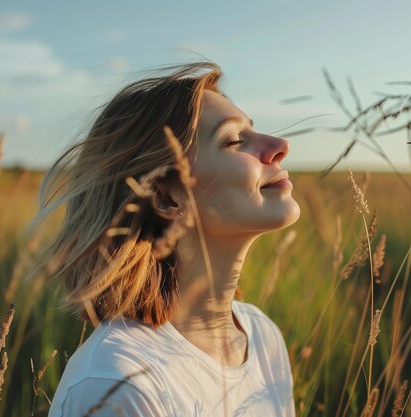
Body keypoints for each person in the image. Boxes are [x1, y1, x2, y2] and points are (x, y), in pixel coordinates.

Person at [32, 61, 300, 416]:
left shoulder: (262, 336)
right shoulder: (118, 383)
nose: (280, 145)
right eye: (235, 140)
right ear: (167, 197)